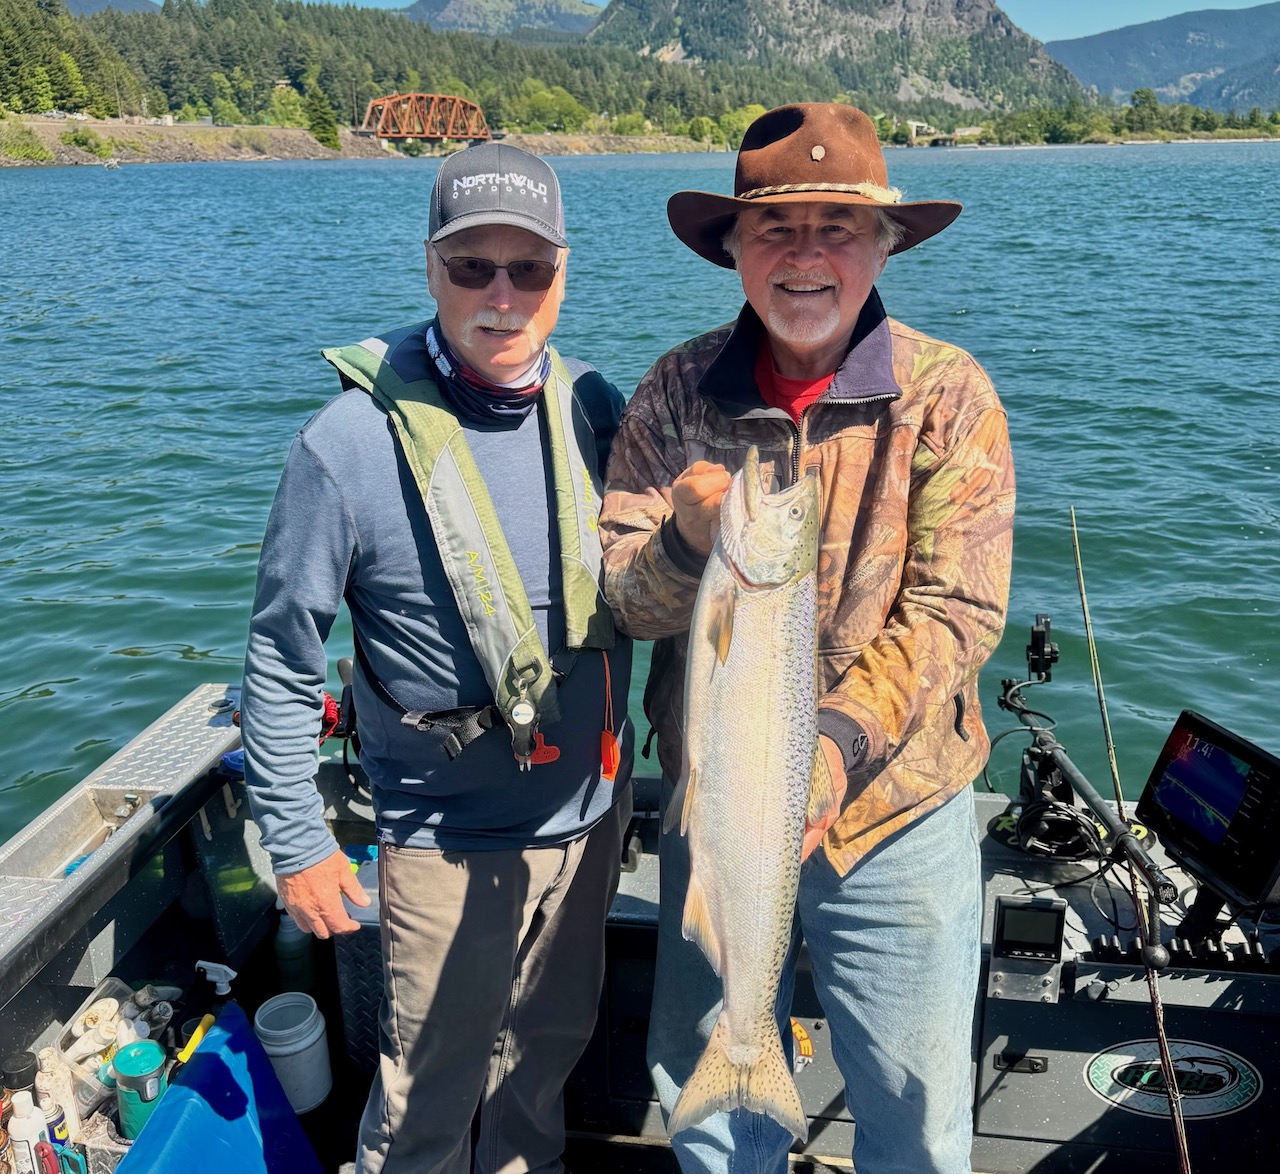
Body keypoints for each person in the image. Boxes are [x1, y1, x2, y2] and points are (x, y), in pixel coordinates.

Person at [598, 104, 1014, 1174]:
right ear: (733, 249)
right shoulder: (672, 393)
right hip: (718, 810)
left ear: (885, 245)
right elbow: (621, 599)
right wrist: (685, 544)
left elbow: (957, 609)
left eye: (838, 227)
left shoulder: (949, 396)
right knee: (709, 1118)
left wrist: (832, 742)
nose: (805, 256)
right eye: (775, 229)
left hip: (895, 820)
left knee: (917, 1128)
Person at [239, 142, 634, 1174]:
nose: (502, 297)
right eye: (472, 267)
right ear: (430, 268)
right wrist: (296, 837)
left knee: (543, 1065)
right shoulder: (344, 445)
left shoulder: (599, 408)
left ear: (561, 273)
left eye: (528, 267)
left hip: (590, 824)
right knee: (426, 1101)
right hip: (444, 840)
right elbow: (281, 658)